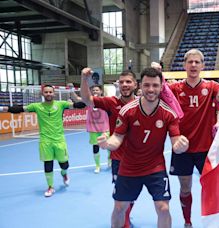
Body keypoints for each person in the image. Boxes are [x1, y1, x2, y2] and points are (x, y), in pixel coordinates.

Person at [98, 67, 189, 228]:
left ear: (161, 87)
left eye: (155, 85)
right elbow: (117, 138)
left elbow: (175, 141)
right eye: (147, 85)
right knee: (119, 207)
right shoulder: (128, 111)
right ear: (140, 86)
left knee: (163, 208)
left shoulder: (169, 113)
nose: (151, 89)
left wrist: (181, 145)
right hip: (129, 167)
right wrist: (107, 144)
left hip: (155, 168)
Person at [168, 49, 219, 227]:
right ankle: (187, 222)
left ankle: (213, 222)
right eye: (190, 62)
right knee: (185, 188)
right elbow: (154, 96)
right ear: (184, 65)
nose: (193, 65)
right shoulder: (174, 88)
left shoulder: (211, 87)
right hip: (182, 148)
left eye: (197, 62)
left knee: (211, 188)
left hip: (207, 149)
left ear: (202, 65)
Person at [0, 85, 86, 197]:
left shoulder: (61, 104)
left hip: (59, 140)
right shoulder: (36, 106)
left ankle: (64, 174)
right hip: (45, 141)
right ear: (42, 94)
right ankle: (50, 187)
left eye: (50, 92)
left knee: (64, 165)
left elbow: (79, 105)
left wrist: (86, 98)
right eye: (46, 92)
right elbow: (19, 109)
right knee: (48, 164)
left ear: (54, 93)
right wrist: (1, 109)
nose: (48, 94)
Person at [80, 68, 137, 228]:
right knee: (121, 196)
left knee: (132, 194)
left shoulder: (143, 103)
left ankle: (126, 217)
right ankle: (124, 222)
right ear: (118, 84)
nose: (125, 85)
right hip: (119, 159)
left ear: (135, 84)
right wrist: (85, 79)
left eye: (128, 82)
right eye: (122, 82)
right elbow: (87, 99)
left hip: (139, 159)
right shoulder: (111, 102)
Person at [69, 84, 111, 173]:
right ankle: (97, 166)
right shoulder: (89, 101)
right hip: (93, 129)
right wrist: (71, 90)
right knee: (96, 147)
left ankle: (109, 160)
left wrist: (117, 87)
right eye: (93, 90)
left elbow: (117, 99)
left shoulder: (105, 100)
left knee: (108, 146)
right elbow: (77, 99)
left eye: (97, 90)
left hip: (105, 128)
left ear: (101, 92)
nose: (95, 92)